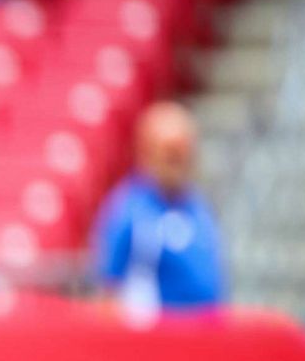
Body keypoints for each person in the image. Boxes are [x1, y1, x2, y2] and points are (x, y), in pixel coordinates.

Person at [91, 101, 227, 313]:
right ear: (147, 152)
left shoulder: (198, 207)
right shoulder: (129, 211)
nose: (180, 163)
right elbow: (109, 292)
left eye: (185, 153)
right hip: (158, 339)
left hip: (205, 335)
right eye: (171, 154)